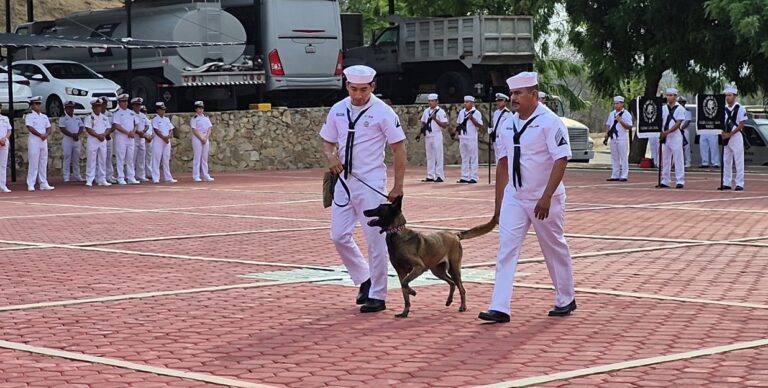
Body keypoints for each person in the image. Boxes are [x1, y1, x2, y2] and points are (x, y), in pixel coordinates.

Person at [478, 71, 575, 323]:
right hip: (516, 195)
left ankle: (566, 297)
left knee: (552, 246)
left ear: (534, 95)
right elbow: (502, 164)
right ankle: (500, 307)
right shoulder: (508, 123)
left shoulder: (550, 121)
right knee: (506, 249)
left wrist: (546, 197)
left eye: (519, 93)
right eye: (512, 93)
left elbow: (561, 159)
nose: (514, 98)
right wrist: (499, 204)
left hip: (544, 197)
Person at [320, 65, 406, 313]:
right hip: (344, 181)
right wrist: (331, 155)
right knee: (338, 235)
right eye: (354, 89)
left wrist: (398, 186)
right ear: (347, 86)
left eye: (363, 89)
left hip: (371, 182)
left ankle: (378, 294)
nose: (358, 95)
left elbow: (399, 149)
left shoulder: (383, 112)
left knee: (375, 240)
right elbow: (327, 140)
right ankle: (364, 278)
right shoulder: (338, 109)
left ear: (373, 87)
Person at [658, 88, 686, 189]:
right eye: (668, 95)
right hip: (665, 136)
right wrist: (661, 132)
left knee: (678, 158)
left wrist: (667, 132)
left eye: (671, 95)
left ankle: (680, 180)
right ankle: (665, 180)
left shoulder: (680, 109)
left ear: (675, 96)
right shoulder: (663, 108)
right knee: (665, 159)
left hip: (675, 136)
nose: (669, 97)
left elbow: (678, 123)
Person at [720, 85, 747, 191]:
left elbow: (742, 124)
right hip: (726, 137)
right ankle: (726, 182)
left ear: (735, 96)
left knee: (739, 160)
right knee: (726, 160)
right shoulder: (723, 109)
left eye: (730, 95)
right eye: (726, 95)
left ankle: (739, 183)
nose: (727, 98)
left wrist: (730, 134)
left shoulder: (740, 108)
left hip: (736, 136)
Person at [25, 96, 54, 192]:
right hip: (34, 140)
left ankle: (43, 182)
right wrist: (40, 135)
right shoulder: (29, 116)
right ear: (32, 105)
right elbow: (30, 128)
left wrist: (46, 134)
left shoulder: (44, 116)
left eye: (39, 103)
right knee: (33, 162)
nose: (38, 106)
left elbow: (48, 127)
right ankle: (31, 183)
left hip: (43, 140)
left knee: (43, 161)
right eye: (36, 104)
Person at [417, 93, 447, 182]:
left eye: (433, 101)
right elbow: (423, 122)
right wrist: (420, 133)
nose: (430, 103)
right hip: (428, 135)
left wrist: (435, 119)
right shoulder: (426, 111)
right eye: (429, 101)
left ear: (437, 102)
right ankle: (430, 175)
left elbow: (445, 125)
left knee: (438, 155)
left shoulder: (441, 112)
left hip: (436, 134)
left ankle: (439, 175)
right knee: (430, 156)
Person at [83, 99, 112, 187]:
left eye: (99, 106)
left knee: (102, 160)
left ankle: (102, 179)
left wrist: (103, 135)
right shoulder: (89, 118)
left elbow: (108, 128)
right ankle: (89, 179)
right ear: (92, 107)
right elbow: (88, 129)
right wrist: (97, 135)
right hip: (93, 140)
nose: (98, 108)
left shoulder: (104, 118)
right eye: (96, 106)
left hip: (102, 140)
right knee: (91, 160)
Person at [112, 94, 140, 185]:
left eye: (126, 101)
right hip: (121, 138)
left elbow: (136, 124)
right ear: (119, 103)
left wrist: (133, 132)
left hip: (131, 137)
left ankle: (131, 177)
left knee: (130, 158)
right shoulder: (117, 113)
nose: (125, 103)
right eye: (123, 101)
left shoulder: (131, 112)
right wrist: (127, 132)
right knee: (121, 158)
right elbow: (116, 125)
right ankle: (121, 177)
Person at [603, 96, 632, 182]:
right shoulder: (612, 114)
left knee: (623, 157)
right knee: (614, 157)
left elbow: (629, 127)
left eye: (618, 103)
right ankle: (614, 174)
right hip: (613, 137)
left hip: (622, 138)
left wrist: (621, 121)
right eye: (615, 103)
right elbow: (609, 124)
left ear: (622, 104)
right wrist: (607, 134)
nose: (616, 105)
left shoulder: (626, 114)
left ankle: (624, 175)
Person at [456, 96, 483, 183]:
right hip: (463, 137)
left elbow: (480, 125)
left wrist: (472, 119)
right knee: (464, 157)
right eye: (465, 102)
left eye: (467, 102)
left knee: (473, 157)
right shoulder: (462, 112)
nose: (465, 104)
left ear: (472, 103)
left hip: (471, 137)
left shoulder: (476, 113)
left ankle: (474, 176)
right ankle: (464, 176)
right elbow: (459, 124)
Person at [59, 100, 84, 182]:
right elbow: (62, 129)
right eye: (69, 108)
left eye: (72, 108)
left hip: (76, 139)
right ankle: (66, 176)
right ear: (65, 109)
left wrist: (77, 134)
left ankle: (77, 175)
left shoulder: (77, 117)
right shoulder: (63, 118)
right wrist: (72, 135)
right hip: (68, 139)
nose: (71, 109)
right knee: (67, 157)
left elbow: (81, 127)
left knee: (76, 158)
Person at [151, 102, 177, 184]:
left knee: (166, 159)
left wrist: (168, 137)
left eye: (164, 110)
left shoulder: (166, 119)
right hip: (159, 140)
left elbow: (171, 129)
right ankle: (155, 178)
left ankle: (168, 177)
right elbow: (156, 130)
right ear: (158, 111)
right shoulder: (155, 119)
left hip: (166, 141)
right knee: (156, 159)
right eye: (161, 110)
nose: (163, 111)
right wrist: (164, 137)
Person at [190, 100, 215, 182]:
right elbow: (194, 129)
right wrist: (201, 138)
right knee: (197, 157)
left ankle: (205, 175)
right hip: (198, 138)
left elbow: (209, 129)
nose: (200, 110)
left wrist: (206, 137)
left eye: (201, 108)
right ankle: (196, 176)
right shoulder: (194, 118)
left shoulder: (206, 118)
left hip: (205, 137)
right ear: (196, 109)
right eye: (199, 108)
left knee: (204, 158)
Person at [132, 98, 150, 182]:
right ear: (133, 105)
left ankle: (141, 175)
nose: (138, 107)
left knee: (141, 158)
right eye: (137, 105)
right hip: (134, 138)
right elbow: (131, 126)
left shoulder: (142, 115)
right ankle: (131, 175)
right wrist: (139, 132)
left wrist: (143, 131)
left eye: (139, 105)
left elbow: (147, 125)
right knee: (132, 158)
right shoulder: (131, 114)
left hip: (142, 138)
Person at [489, 93, 511, 162]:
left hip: (503, 139)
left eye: (500, 101)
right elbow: (495, 125)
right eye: (497, 101)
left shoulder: (508, 114)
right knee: (497, 157)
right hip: (495, 138)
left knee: (503, 157)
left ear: (505, 101)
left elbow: (509, 128)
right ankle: (498, 172)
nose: (498, 102)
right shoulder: (496, 113)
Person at [101, 96, 117, 184]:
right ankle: (98, 175)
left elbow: (113, 126)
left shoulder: (110, 114)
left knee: (108, 158)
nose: (104, 105)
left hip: (108, 137)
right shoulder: (96, 115)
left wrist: (107, 134)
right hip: (99, 138)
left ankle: (109, 175)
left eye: (105, 103)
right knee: (99, 159)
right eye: (103, 103)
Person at [679, 96, 692, 168]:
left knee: (686, 147)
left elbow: (687, 122)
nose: (681, 103)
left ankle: (688, 161)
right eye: (679, 102)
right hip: (676, 131)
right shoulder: (676, 111)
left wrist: (681, 128)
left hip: (684, 130)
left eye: (682, 102)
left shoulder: (687, 111)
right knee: (677, 147)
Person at [0, 106, 11, 193]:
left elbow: (9, 130)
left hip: (4, 143)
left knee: (3, 165)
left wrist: (5, 138)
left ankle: (3, 185)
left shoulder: (5, 118)